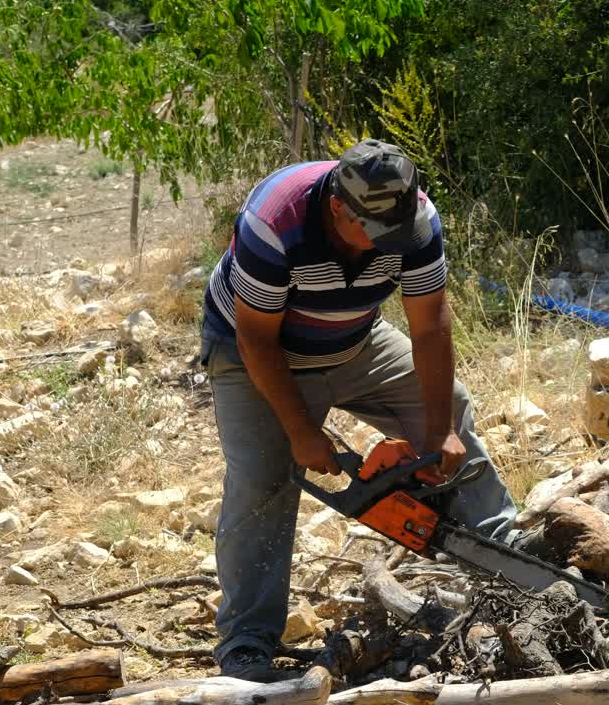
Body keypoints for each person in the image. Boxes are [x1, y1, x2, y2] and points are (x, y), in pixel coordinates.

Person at [198, 139, 518, 682]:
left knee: (451, 410)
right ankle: (247, 641)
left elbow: (430, 323)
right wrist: (300, 430)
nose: (386, 245)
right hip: (257, 352)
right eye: (375, 233)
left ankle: (509, 552)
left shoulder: (415, 220)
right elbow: (256, 339)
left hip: (356, 340)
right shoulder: (276, 219)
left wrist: (438, 430)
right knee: (262, 477)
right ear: (339, 208)